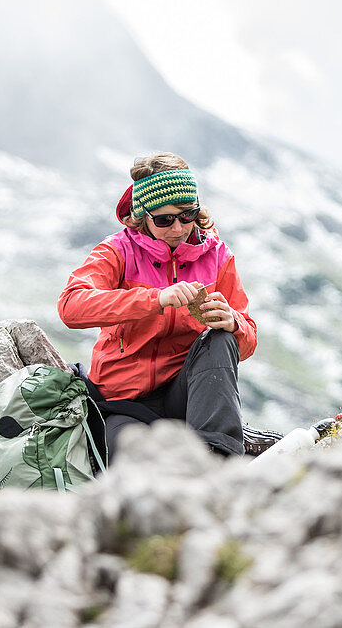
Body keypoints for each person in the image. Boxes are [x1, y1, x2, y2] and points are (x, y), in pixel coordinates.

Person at [57, 152, 257, 460]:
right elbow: (71, 306)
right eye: (164, 220)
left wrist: (234, 323)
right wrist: (156, 299)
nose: (177, 228)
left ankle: (218, 459)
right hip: (123, 405)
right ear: (142, 216)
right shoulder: (117, 251)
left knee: (220, 339)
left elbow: (246, 341)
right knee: (136, 464)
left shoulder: (217, 256)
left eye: (187, 215)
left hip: (186, 400)